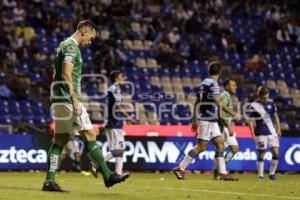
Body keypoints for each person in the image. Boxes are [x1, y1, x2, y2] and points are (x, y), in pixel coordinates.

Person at [42, 20, 129, 192]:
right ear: (83, 31)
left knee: (60, 140)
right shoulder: (71, 47)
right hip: (67, 99)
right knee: (90, 134)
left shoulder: (64, 45)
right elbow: (66, 74)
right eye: (90, 37)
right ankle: (108, 176)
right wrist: (74, 99)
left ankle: (49, 181)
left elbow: (59, 72)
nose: (90, 42)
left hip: (59, 99)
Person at [173, 61, 240, 181]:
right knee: (201, 146)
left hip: (211, 119)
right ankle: (181, 168)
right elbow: (218, 103)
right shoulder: (214, 84)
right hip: (207, 119)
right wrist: (233, 113)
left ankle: (223, 173)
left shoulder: (203, 83)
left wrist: (195, 118)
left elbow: (197, 102)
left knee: (220, 144)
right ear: (219, 72)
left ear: (209, 71)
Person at [92, 71, 134, 178]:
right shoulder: (116, 89)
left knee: (118, 150)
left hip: (112, 122)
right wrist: (128, 117)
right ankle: (97, 164)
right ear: (116, 78)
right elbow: (118, 106)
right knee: (120, 150)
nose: (123, 78)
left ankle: (118, 173)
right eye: (121, 77)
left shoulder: (112, 89)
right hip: (115, 123)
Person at [247, 86, 281, 180]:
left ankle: (272, 173)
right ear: (259, 96)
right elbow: (250, 120)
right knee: (262, 153)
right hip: (260, 133)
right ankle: (260, 175)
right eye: (264, 97)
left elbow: (275, 116)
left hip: (272, 132)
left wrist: (279, 128)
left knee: (276, 153)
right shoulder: (253, 105)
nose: (266, 99)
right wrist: (252, 134)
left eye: (267, 96)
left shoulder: (271, 103)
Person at [213, 79, 240, 179]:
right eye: (233, 85)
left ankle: (218, 173)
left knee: (220, 150)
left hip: (223, 125)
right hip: (223, 126)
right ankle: (221, 171)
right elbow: (220, 112)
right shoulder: (225, 95)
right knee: (234, 148)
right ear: (227, 87)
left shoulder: (226, 96)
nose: (235, 87)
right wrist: (229, 127)